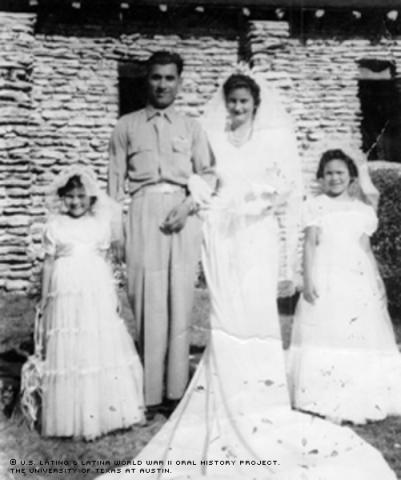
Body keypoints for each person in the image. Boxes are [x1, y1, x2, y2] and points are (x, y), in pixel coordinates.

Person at [96, 75, 396, 479]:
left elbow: (284, 188)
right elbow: (201, 178)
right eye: (232, 102)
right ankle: (222, 391)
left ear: (255, 104)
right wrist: (198, 203)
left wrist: (261, 209)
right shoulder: (211, 135)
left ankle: (261, 398)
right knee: (224, 314)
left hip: (256, 234)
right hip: (220, 233)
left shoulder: (272, 138)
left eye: (243, 102)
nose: (237, 109)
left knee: (255, 314)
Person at [108, 51, 215, 410]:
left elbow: (209, 174)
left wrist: (188, 207)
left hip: (183, 214)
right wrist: (116, 231)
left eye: (170, 78)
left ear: (179, 82)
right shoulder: (126, 126)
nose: (163, 84)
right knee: (146, 297)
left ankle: (175, 392)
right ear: (146, 80)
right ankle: (149, 393)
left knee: (179, 301)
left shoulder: (191, 127)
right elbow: (113, 184)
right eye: (156, 77)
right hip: (142, 212)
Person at [21, 166, 145, 440]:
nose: (75, 202)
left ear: (91, 198)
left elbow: (107, 261)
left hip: (95, 290)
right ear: (61, 198)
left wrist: (113, 296)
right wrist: (45, 301)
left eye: (81, 196)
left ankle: (107, 411)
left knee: (97, 342)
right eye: (70, 197)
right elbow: (49, 264)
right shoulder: (54, 226)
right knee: (69, 345)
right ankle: (69, 414)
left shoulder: (99, 226)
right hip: (65, 292)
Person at [287, 148, 401, 424]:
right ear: (321, 177)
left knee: (357, 333)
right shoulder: (315, 206)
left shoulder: (362, 210)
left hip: (355, 277)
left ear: (351, 176)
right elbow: (311, 246)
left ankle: (359, 390)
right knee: (327, 332)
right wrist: (309, 279)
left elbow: (365, 249)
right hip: (326, 275)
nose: (335, 178)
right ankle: (323, 393)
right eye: (329, 173)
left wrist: (375, 282)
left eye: (340, 173)